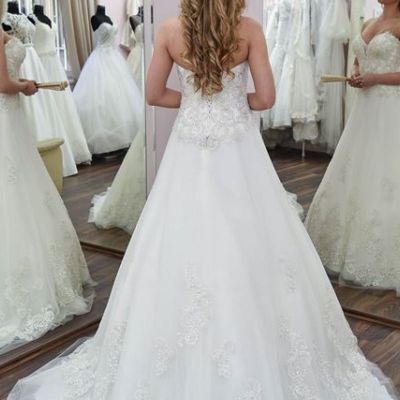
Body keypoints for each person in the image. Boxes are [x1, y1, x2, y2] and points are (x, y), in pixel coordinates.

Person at [8, 1, 397, 398]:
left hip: (189, 145)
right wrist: (232, 103)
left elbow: (154, 93)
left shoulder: (169, 31)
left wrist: (196, 102)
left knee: (176, 239)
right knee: (254, 238)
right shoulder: (249, 30)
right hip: (238, 146)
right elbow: (265, 98)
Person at [0, 0, 94, 354]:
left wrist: (20, 84)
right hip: (7, 115)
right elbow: (2, 84)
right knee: (14, 188)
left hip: (11, 118)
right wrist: (24, 86)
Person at [306, 0, 400, 293]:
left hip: (390, 109)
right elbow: (360, 59)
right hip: (365, 110)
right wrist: (358, 73)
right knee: (356, 171)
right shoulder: (368, 23)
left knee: (384, 173)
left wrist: (375, 78)